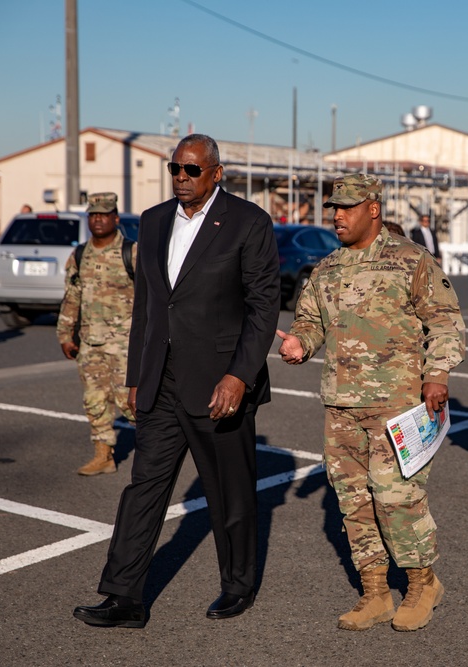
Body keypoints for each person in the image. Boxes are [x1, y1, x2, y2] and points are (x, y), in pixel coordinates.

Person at [73, 134, 280, 628]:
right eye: (175, 169)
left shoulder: (248, 222)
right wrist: (136, 376)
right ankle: (124, 596)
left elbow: (262, 307)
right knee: (143, 487)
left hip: (218, 385)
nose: (181, 179)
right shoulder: (153, 220)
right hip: (161, 383)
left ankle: (238, 585)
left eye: (192, 170)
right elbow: (148, 306)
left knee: (229, 492)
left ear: (216, 172)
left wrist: (238, 376)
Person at [276, 174, 464, 632]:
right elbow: (310, 321)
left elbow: (445, 321)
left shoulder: (410, 260)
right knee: (354, 502)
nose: (336, 215)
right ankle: (375, 593)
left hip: (396, 406)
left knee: (398, 498)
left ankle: (423, 585)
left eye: (347, 207)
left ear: (373, 208)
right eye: (333, 208)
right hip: (341, 408)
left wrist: (436, 374)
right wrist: (301, 342)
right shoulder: (326, 270)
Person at [56, 193, 138, 475]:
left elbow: (152, 299)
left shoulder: (132, 252)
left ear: (116, 218)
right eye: (93, 214)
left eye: (104, 214)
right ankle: (104, 455)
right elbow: (72, 296)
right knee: (94, 400)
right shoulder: (80, 254)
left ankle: (158, 452)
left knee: (130, 402)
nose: (98, 219)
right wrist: (65, 334)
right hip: (89, 342)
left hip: (125, 344)